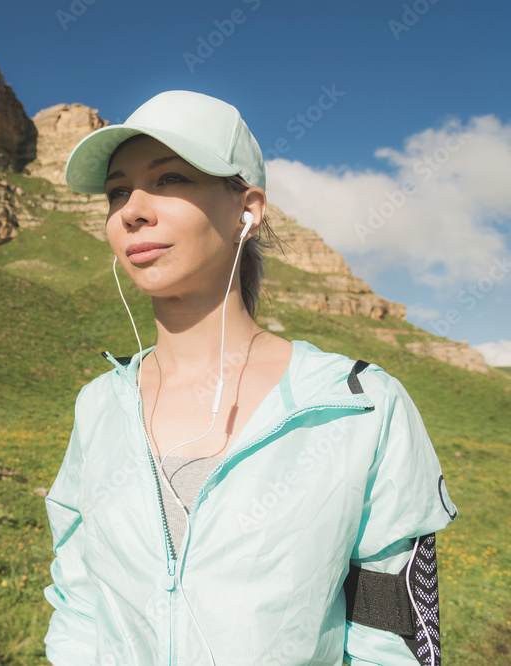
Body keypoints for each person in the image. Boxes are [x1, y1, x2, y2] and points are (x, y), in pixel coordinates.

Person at [42, 90, 457, 665]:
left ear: (248, 208)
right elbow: (80, 602)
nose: (133, 208)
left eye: (170, 180)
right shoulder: (98, 408)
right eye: (117, 191)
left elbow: (397, 638)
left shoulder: (360, 406)